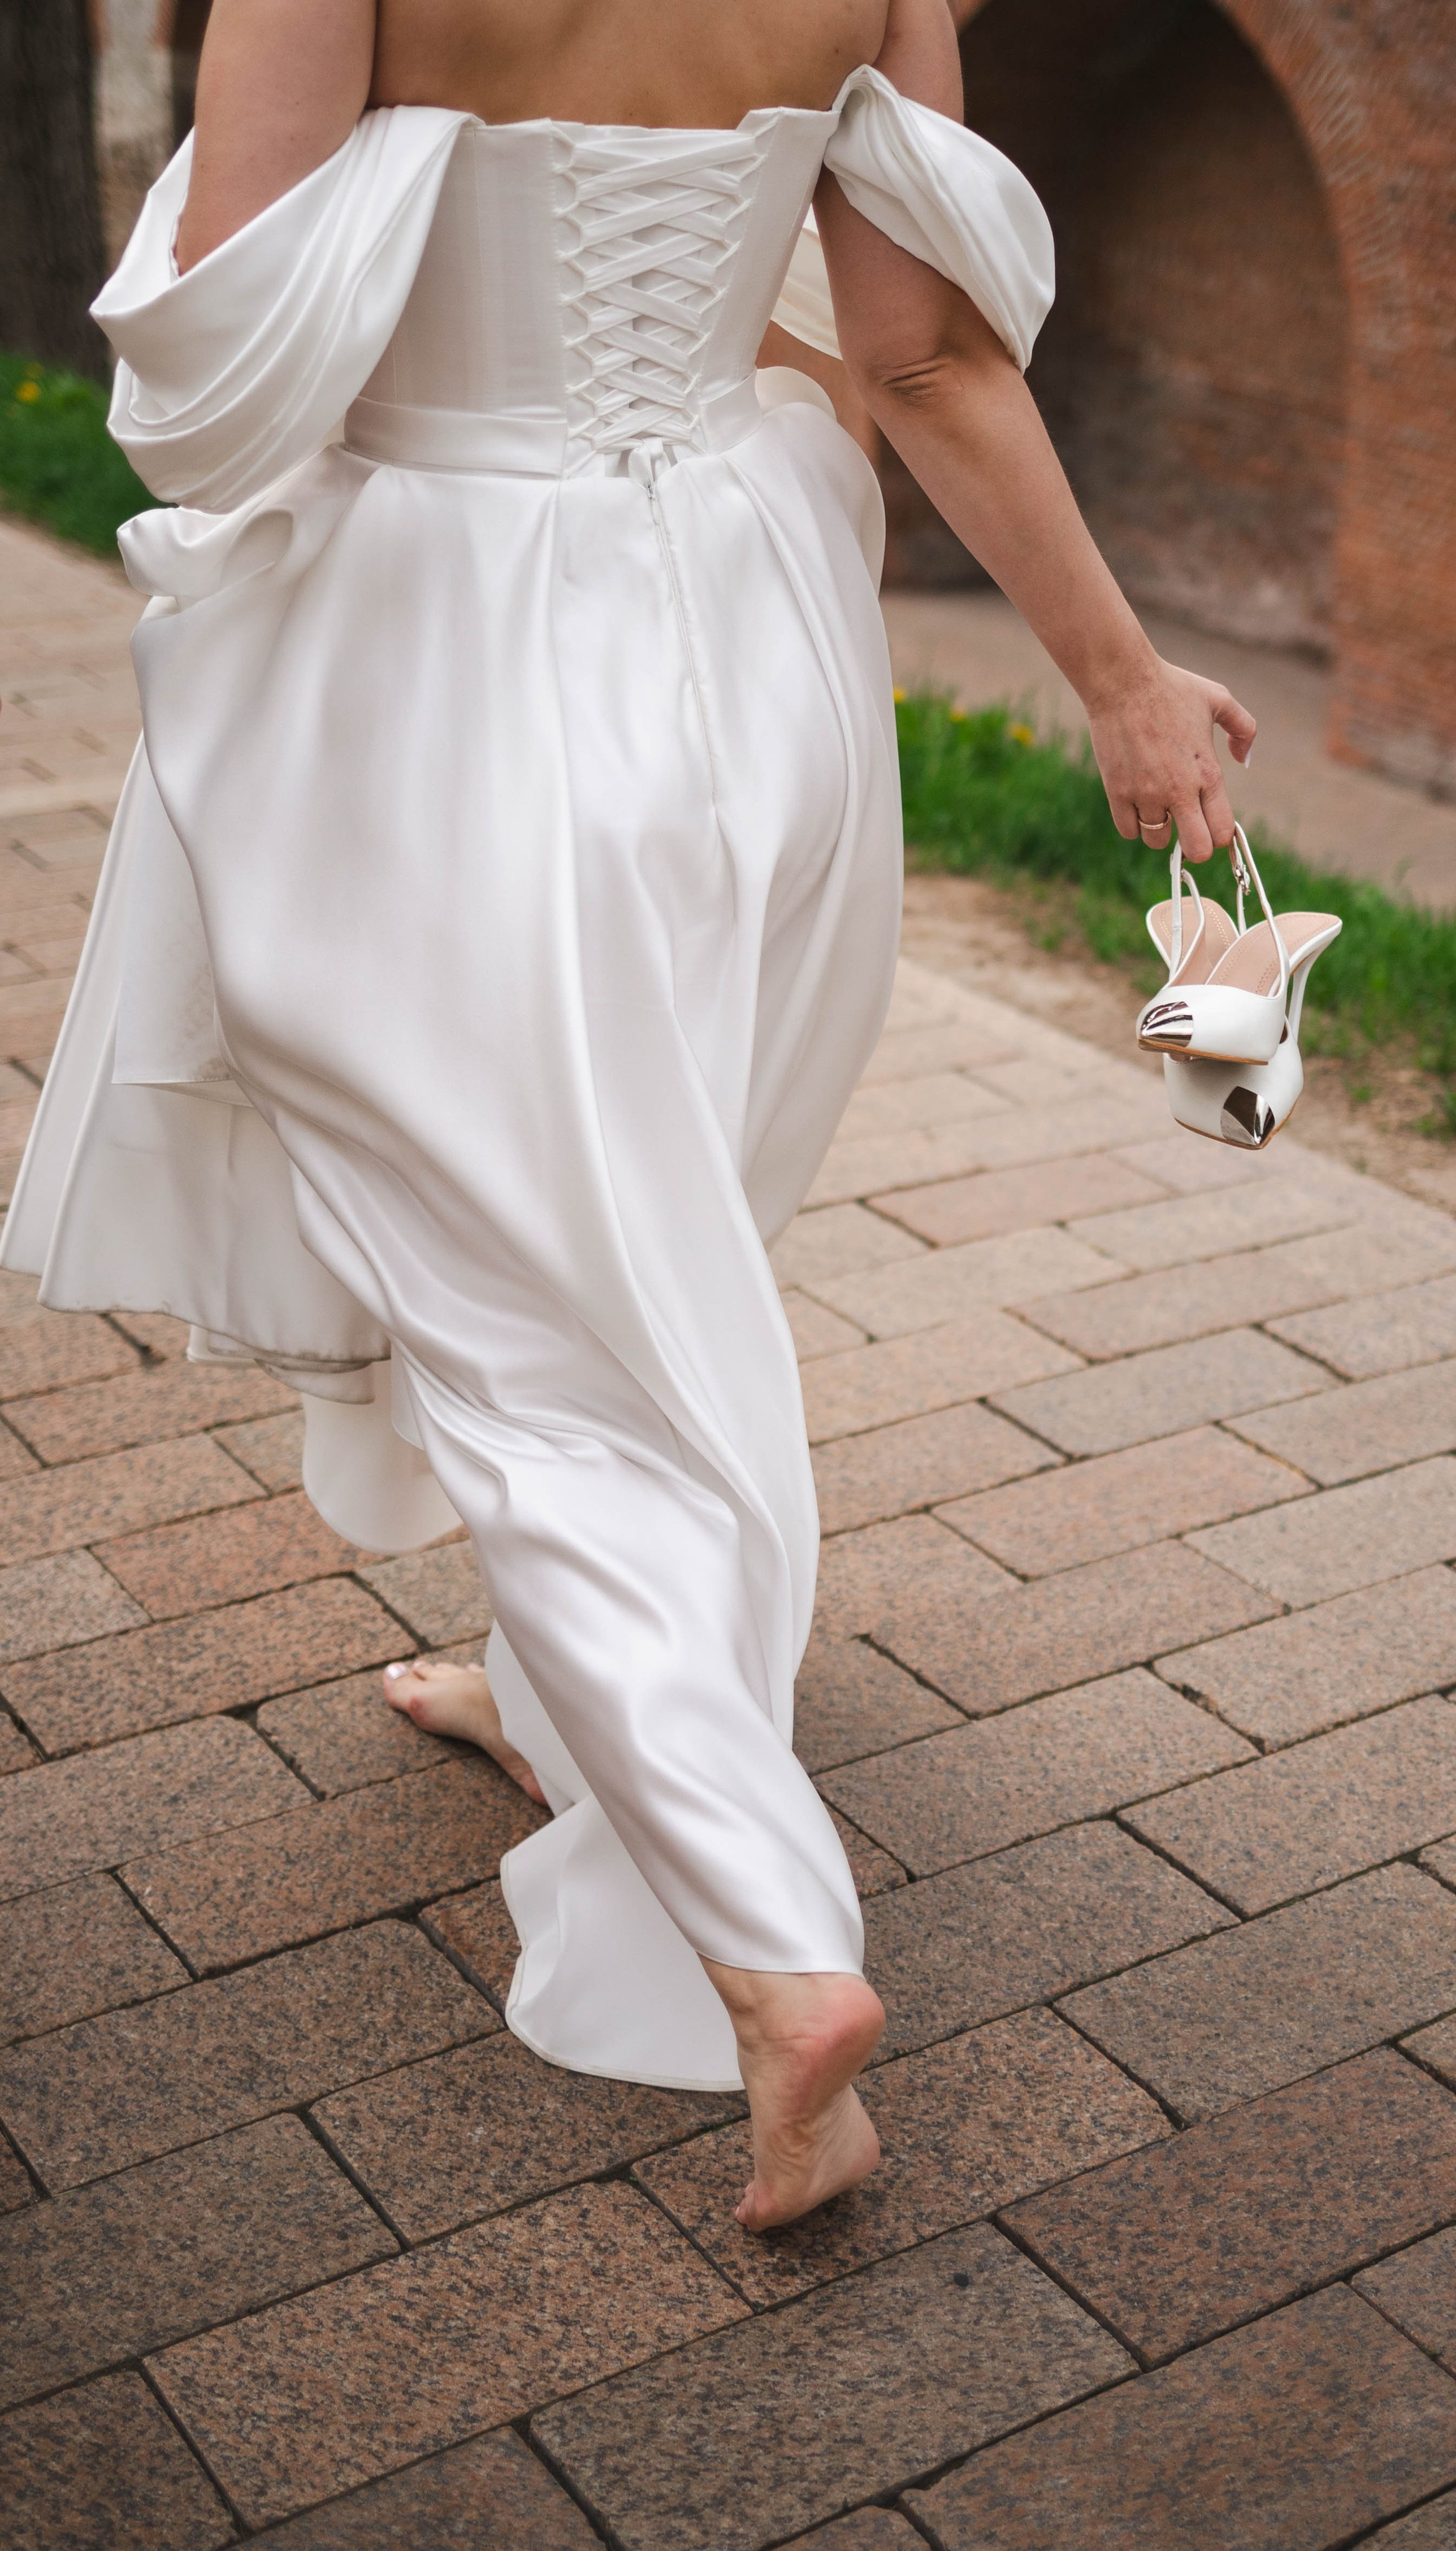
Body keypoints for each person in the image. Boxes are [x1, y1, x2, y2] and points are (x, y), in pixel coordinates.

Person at [2, 0, 1253, 2230]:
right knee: (633, 1222)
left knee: (518, 1313)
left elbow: (221, 385)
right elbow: (929, 366)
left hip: (448, 654)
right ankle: (550, 1689)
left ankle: (775, 1954)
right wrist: (1127, 684)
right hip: (749, 636)